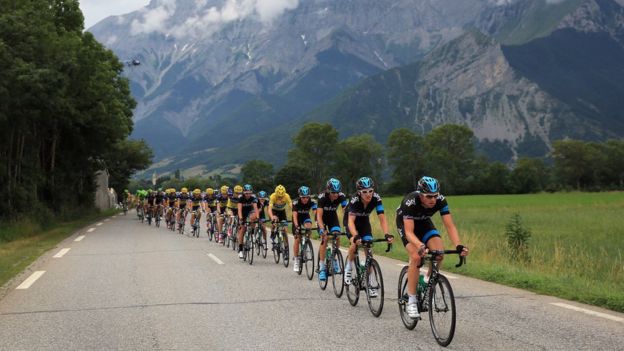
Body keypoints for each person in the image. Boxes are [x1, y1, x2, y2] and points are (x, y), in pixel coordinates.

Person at [396, 176, 469, 319]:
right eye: (429, 196)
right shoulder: (410, 202)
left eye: (435, 196)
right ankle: (411, 300)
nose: (433, 199)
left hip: (424, 222)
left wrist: (459, 245)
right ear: (420, 194)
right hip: (406, 225)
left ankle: (428, 281)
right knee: (416, 257)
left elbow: (449, 225)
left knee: (439, 254)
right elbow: (409, 232)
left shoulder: (441, 200)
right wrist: (420, 245)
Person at [343, 177, 393, 297]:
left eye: (370, 191)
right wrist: (355, 236)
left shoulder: (376, 198)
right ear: (359, 192)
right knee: (354, 244)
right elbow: (350, 222)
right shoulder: (355, 200)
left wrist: (387, 234)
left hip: (364, 222)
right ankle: (348, 268)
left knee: (368, 249)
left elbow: (382, 217)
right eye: (364, 192)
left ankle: (370, 283)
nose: (368, 194)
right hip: (351, 222)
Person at [316, 178, 348, 281]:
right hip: (322, 219)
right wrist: (322, 229)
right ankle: (321, 267)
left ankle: (334, 258)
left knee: (337, 235)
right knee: (325, 239)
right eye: (333, 193)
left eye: (337, 192)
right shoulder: (322, 197)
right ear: (328, 191)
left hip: (332, 217)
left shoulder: (341, 196)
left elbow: (346, 211)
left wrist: (348, 224)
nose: (335, 195)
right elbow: (319, 216)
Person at [291, 186, 317, 272]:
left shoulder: (312, 201)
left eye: (307, 197)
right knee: (297, 238)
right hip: (297, 219)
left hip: (305, 217)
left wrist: (317, 222)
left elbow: (315, 212)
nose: (305, 199)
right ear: (300, 196)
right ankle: (296, 260)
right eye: (303, 197)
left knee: (309, 227)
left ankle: (306, 242)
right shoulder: (295, 202)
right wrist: (297, 226)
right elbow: (294, 216)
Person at [237, 184, 260, 258]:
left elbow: (256, 209)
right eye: (246, 193)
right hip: (242, 214)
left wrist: (258, 217)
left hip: (250, 212)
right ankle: (240, 250)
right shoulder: (241, 198)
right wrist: (240, 219)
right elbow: (239, 210)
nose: (248, 194)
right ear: (243, 192)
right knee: (242, 230)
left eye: (249, 193)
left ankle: (252, 233)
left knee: (254, 217)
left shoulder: (253, 198)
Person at [268, 184, 293, 249]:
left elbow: (291, 205)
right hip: (274, 211)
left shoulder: (286, 196)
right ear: (276, 194)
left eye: (281, 196)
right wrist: (272, 217)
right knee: (275, 221)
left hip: (282, 211)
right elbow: (269, 209)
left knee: (285, 229)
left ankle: (286, 246)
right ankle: (272, 234)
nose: (280, 198)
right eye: (279, 196)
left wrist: (295, 212)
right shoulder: (273, 196)